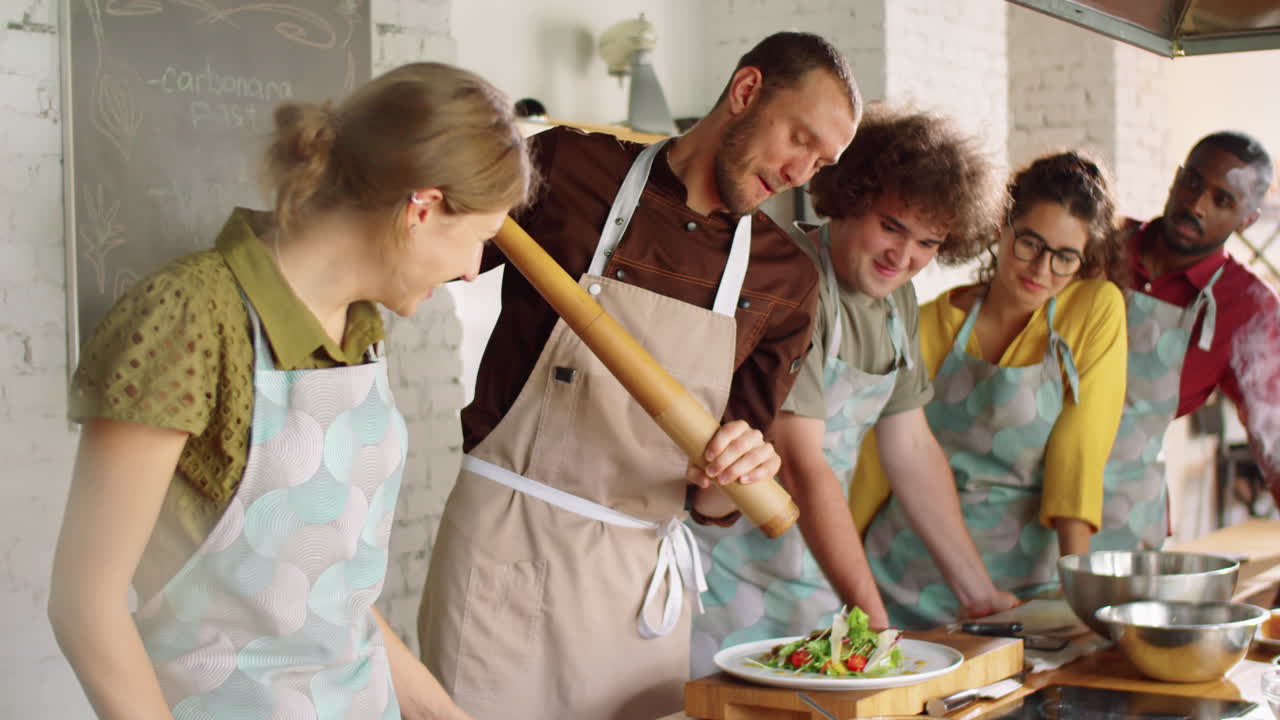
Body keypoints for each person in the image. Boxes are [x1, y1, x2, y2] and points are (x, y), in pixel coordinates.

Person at [47, 62, 533, 720]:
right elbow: (86, 607)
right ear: (422, 207)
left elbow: (330, 608)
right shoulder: (188, 317)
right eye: (479, 239)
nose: (473, 270)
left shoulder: (360, 333)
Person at [417, 31, 859, 720]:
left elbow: (712, 504)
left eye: (822, 161)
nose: (802, 172)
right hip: (505, 543)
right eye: (799, 138)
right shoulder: (567, 165)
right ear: (745, 93)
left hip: (636, 584)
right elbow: (427, 259)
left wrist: (730, 474)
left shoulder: (785, 279)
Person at [689, 106, 1017, 672]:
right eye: (890, 226)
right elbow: (800, 462)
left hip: (814, 565)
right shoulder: (792, 276)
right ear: (847, 196)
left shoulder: (898, 301)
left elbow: (911, 450)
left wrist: (978, 595)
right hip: (728, 572)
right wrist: (878, 625)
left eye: (928, 242)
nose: (904, 256)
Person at [852, 151, 1129, 629]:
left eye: (1065, 257)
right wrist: (834, 575)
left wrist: (1077, 591)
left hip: (1024, 593)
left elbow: (1078, 454)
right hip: (899, 580)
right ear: (1003, 226)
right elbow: (880, 463)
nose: (1042, 269)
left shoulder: (1093, 311)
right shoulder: (932, 321)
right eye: (1030, 244)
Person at [1093, 131, 1280, 552]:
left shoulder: (1248, 307)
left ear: (1247, 220)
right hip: (1014, 486)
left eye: (1222, 200)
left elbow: (1276, 439)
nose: (1196, 205)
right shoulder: (1098, 244)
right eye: (1193, 182)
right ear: (1177, 178)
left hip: (1119, 514)